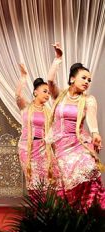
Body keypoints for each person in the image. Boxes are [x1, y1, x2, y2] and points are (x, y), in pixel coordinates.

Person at [47, 42, 105, 209]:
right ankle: (72, 216)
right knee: (66, 181)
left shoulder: (88, 99)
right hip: (61, 146)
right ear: (72, 78)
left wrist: (95, 133)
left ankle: (87, 212)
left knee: (89, 169)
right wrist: (58, 59)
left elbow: (92, 121)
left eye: (89, 80)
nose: (87, 82)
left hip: (79, 143)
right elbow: (50, 80)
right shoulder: (59, 96)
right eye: (83, 78)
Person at [15, 63, 58, 194]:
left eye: (49, 93)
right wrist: (23, 78)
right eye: (45, 91)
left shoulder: (49, 111)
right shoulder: (26, 107)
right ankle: (37, 212)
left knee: (46, 182)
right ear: (35, 92)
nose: (47, 95)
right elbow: (17, 96)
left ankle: (45, 211)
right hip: (26, 148)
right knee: (32, 181)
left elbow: (52, 133)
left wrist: (56, 152)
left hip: (43, 149)